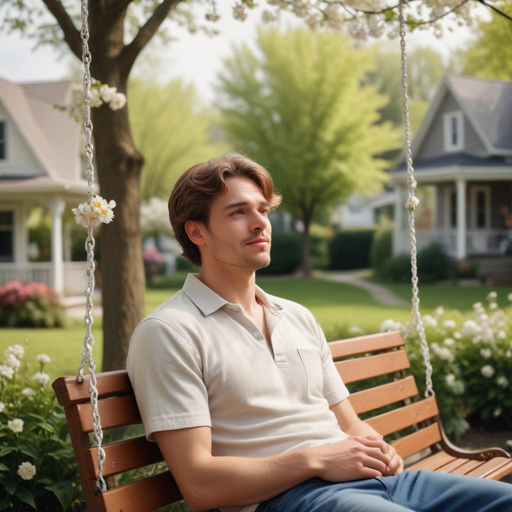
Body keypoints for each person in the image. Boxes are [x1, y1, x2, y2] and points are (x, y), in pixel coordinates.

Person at [126, 153, 512, 512]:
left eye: (262, 209)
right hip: (293, 498)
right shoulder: (170, 332)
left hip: (384, 482)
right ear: (197, 233)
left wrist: (379, 450)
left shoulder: (296, 316)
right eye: (238, 212)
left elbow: (348, 422)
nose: (260, 222)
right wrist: (317, 459)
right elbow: (199, 484)